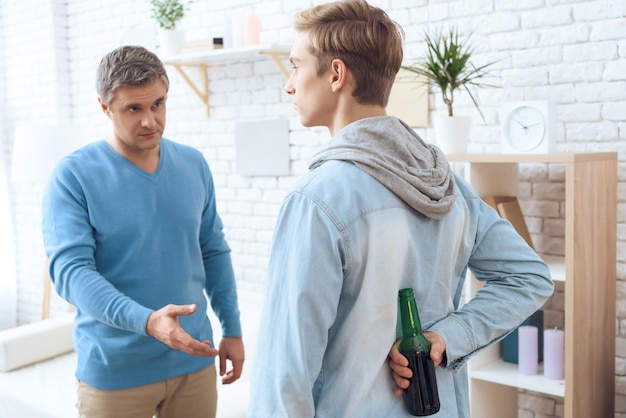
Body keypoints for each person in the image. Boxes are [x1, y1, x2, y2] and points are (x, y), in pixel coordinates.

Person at [246, 1, 554, 417]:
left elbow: (285, 376)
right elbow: (530, 277)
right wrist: (450, 334)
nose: (288, 85)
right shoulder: (449, 186)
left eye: (295, 66)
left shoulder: (316, 201)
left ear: (336, 74)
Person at [42, 45, 244, 418]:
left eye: (158, 104)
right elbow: (72, 274)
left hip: (193, 360)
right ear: (105, 108)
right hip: (115, 372)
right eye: (133, 109)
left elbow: (213, 249)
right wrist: (149, 322)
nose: (150, 120)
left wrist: (232, 328)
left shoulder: (193, 164)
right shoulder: (73, 176)